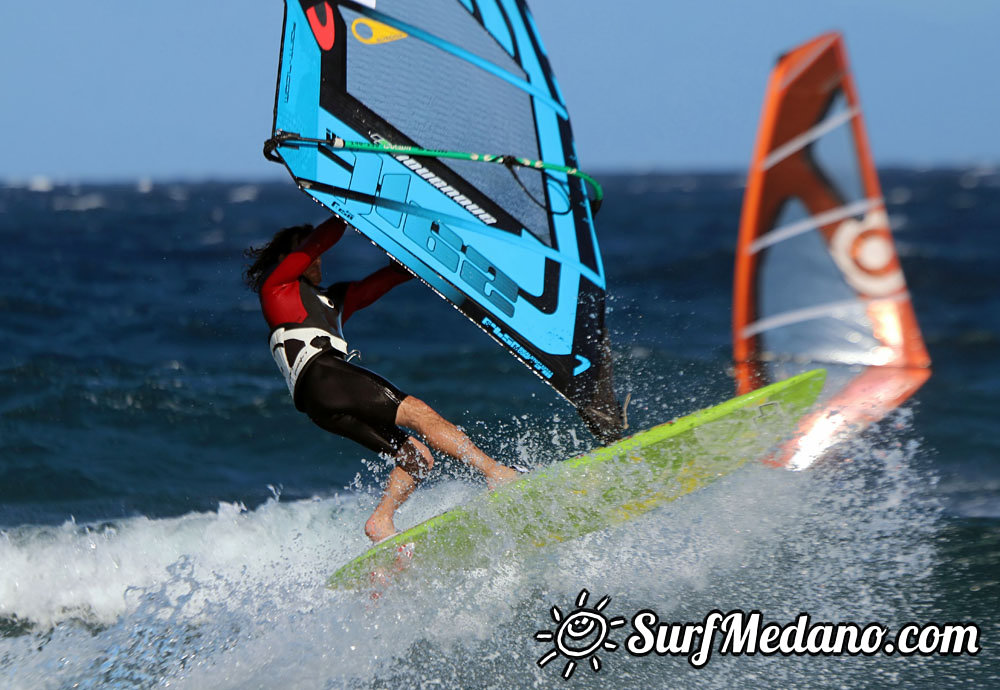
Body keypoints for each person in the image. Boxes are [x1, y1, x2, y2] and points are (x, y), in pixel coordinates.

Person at [244, 216, 519, 543]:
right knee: (419, 413)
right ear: (287, 259)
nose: (317, 259)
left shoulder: (334, 300)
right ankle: (496, 473)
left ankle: (381, 520)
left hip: (317, 404)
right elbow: (323, 237)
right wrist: (345, 209)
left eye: (318, 256)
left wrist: (420, 251)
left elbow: (386, 280)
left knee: (417, 458)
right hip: (322, 374)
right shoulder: (278, 288)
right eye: (308, 254)